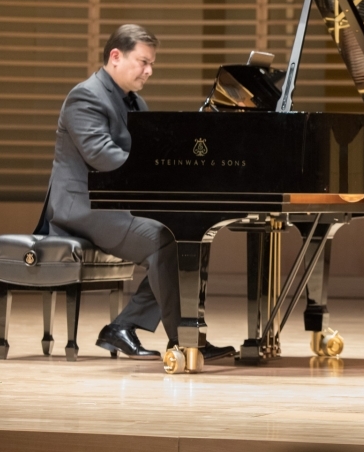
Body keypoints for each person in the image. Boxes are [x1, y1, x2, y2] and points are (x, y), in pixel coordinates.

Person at [44, 24, 234, 362]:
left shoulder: (135, 101)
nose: (149, 71)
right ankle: (184, 341)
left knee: (190, 236)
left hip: (113, 204)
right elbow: (102, 155)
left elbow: (149, 153)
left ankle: (126, 326)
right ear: (116, 56)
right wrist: (160, 172)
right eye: (143, 62)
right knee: (164, 239)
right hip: (82, 208)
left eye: (152, 64)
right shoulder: (85, 96)